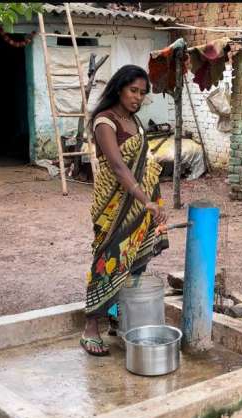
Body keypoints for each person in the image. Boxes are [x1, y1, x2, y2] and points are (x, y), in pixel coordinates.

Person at [81, 65, 169, 356]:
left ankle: (117, 318)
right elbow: (119, 167)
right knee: (108, 262)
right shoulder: (105, 122)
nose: (137, 97)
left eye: (142, 93)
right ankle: (90, 327)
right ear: (119, 88)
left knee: (133, 264)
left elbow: (146, 164)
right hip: (115, 208)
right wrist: (145, 199)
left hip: (140, 206)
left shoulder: (136, 122)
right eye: (133, 90)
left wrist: (154, 203)